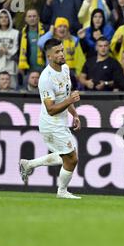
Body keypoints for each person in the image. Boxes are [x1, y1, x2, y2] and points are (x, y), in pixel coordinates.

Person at [19, 38, 82, 199]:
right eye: (57, 52)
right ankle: (62, 192)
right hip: (51, 124)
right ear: (49, 56)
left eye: (62, 50)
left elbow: (66, 95)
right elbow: (51, 109)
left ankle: (29, 164)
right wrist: (70, 101)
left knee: (66, 155)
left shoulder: (66, 69)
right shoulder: (46, 78)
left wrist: (74, 114)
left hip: (60, 121)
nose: (62, 54)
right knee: (72, 158)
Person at [18, 8, 46, 74]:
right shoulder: (22, 34)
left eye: (34, 16)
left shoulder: (45, 31)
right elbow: (18, 51)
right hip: (28, 69)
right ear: (26, 19)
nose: (32, 18)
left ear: (38, 18)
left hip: (44, 68)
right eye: (29, 16)